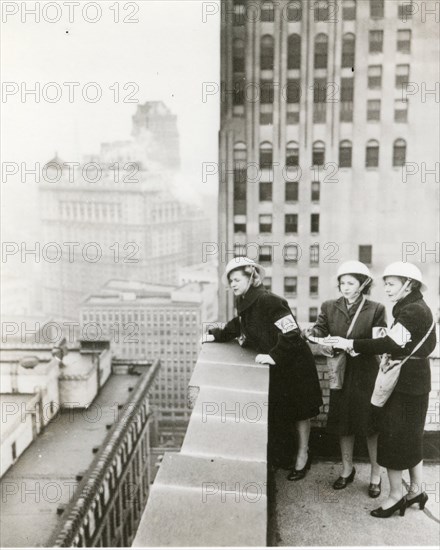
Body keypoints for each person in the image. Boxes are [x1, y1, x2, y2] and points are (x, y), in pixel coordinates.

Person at [330, 262, 436, 518]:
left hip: (405, 383)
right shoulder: (416, 306)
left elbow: (389, 342)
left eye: (391, 284)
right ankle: (416, 491)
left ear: (408, 284)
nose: (386, 289)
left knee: (393, 439)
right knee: (411, 438)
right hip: (416, 381)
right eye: (385, 284)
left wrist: (350, 342)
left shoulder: (411, 311)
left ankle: (395, 497)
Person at [203, 257, 323, 479]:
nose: (233, 285)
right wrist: (216, 334)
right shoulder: (246, 301)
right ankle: (288, 456)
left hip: (295, 364)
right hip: (280, 365)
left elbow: (292, 333)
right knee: (286, 412)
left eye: (237, 279)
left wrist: (273, 356)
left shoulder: (270, 302)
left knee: (300, 412)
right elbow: (239, 324)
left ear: (252, 276)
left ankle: (302, 457)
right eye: (231, 281)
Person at [303, 261, 387, 497]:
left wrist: (354, 347)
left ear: (362, 285)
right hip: (341, 372)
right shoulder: (329, 306)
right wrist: (315, 336)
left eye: (351, 283)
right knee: (343, 424)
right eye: (342, 282)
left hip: (366, 373)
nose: (345, 287)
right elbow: (321, 329)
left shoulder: (377, 309)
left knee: (371, 426)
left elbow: (379, 342)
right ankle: (347, 469)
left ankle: (375, 474)